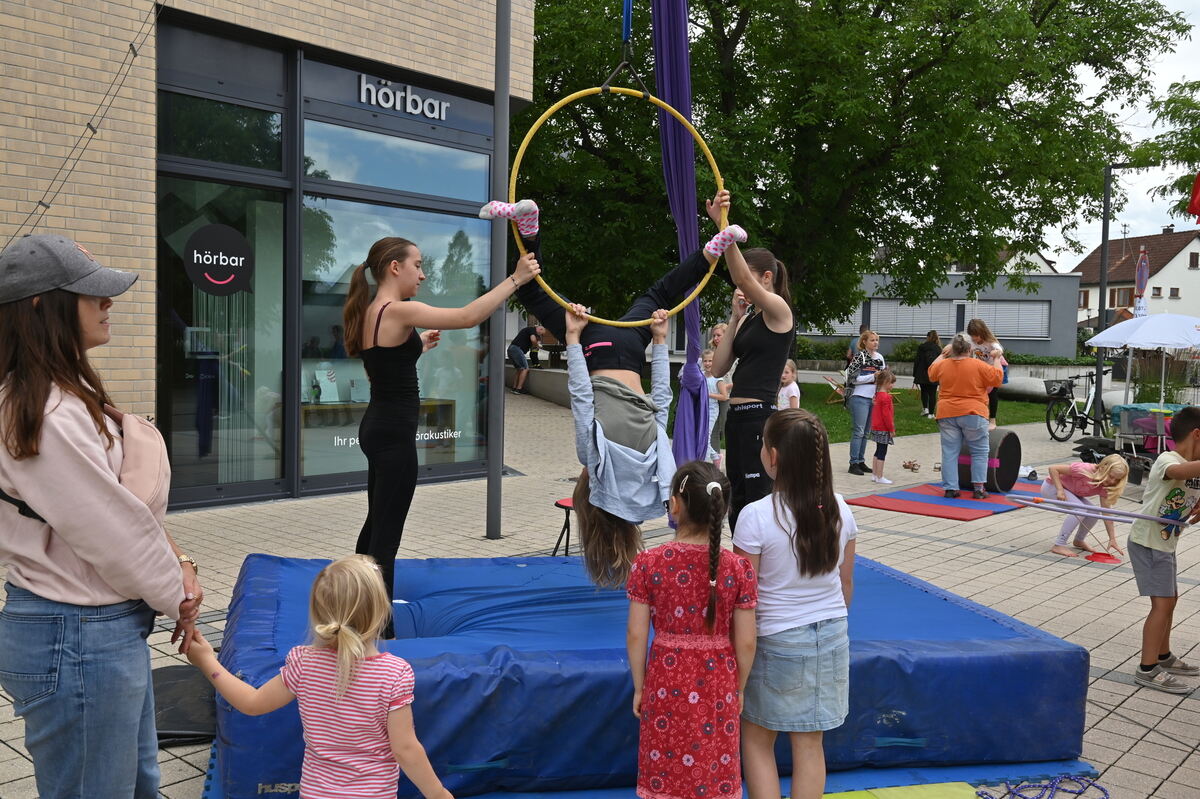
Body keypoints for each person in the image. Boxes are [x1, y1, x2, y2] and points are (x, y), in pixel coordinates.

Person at [0, 234, 201, 798]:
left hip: (89, 631)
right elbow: (115, 534)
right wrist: (178, 596)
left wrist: (177, 562)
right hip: (76, 635)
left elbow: (119, 514)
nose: (108, 303)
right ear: (43, 306)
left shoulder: (60, 397)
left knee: (134, 785)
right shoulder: (44, 412)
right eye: (92, 294)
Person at [479, 196, 748, 586]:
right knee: (534, 295)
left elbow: (661, 405)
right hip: (597, 349)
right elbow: (582, 394)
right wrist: (573, 340)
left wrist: (657, 343)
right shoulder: (592, 456)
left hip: (630, 348)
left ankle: (713, 249)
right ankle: (529, 226)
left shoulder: (655, 471)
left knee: (661, 294)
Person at [343, 236, 541, 607]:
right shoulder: (400, 309)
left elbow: (386, 369)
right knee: (386, 537)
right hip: (392, 436)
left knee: (376, 525)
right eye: (417, 265)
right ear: (394, 267)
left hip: (378, 427)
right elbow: (468, 316)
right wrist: (515, 279)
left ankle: (357, 602)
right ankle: (378, 630)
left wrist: (417, 346)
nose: (422, 273)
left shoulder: (375, 311)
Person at [185, 555, 454, 799]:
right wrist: (438, 793)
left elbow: (252, 703)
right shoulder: (393, 674)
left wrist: (208, 661)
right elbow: (405, 749)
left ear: (317, 613)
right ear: (381, 612)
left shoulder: (304, 662)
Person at [733, 409, 857, 799]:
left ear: (773, 456)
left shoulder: (755, 516)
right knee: (809, 744)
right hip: (833, 634)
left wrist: (737, 661)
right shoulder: (840, 508)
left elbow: (743, 599)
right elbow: (845, 582)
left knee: (756, 739)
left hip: (777, 641)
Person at [626, 461, 758, 799]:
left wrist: (640, 687)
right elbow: (745, 641)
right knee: (713, 768)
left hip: (665, 680)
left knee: (664, 770)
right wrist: (739, 688)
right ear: (724, 509)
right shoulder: (738, 568)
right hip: (718, 682)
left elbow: (637, 634)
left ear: (675, 504)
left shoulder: (649, 562)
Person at [708, 193, 795, 530]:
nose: (740, 283)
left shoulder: (779, 311)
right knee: (738, 498)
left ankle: (763, 569)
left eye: (748, 275)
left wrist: (723, 227)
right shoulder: (749, 319)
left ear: (767, 279)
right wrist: (734, 318)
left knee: (758, 498)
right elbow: (717, 368)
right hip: (737, 418)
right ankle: (742, 571)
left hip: (759, 416)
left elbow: (741, 278)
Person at [1127, 406, 1200, 693]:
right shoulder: (1167, 459)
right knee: (1163, 604)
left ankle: (1163, 655)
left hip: (1164, 543)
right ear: (1197, 434)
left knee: (1171, 600)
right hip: (1148, 542)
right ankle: (1147, 668)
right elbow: (1178, 473)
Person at [928, 333, 1002, 499]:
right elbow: (997, 379)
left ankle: (951, 488)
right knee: (979, 451)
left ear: (952, 349)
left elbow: (931, 372)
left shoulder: (944, 365)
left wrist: (942, 354)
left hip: (947, 412)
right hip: (974, 412)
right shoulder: (978, 365)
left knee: (949, 451)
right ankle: (978, 488)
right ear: (970, 349)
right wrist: (997, 357)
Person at [1040, 454, 1129, 558]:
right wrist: (1059, 490)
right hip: (1052, 487)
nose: (1112, 481)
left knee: (1094, 512)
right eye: (1111, 476)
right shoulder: (1084, 470)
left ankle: (1079, 540)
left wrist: (1112, 539)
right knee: (1080, 509)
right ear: (1103, 467)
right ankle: (1059, 544)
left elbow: (1106, 512)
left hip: (1070, 491)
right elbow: (1053, 468)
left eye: (1117, 480)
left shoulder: (1106, 485)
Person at [844, 330, 885, 476]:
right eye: (872, 340)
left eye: (877, 340)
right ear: (864, 342)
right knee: (859, 431)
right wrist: (873, 376)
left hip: (873, 398)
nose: (875, 343)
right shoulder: (859, 357)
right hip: (859, 396)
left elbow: (883, 376)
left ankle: (861, 461)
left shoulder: (879, 358)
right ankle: (853, 463)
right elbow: (852, 378)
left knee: (866, 432)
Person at [966, 318, 1005, 430]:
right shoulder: (971, 341)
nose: (974, 338)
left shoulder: (990, 341)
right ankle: (978, 415)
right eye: (972, 335)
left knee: (992, 393)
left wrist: (996, 352)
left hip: (992, 368)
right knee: (976, 391)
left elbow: (999, 349)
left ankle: (992, 420)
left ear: (982, 332)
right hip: (981, 369)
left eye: (976, 335)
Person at [868, 369, 897, 485]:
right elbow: (887, 415)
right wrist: (891, 429)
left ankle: (874, 474)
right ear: (885, 382)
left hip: (876, 427)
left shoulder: (877, 395)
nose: (893, 385)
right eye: (891, 383)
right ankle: (879, 476)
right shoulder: (886, 397)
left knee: (877, 450)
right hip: (883, 428)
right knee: (882, 452)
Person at [704, 348, 731, 464]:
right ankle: (712, 458)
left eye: (710, 361)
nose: (708, 363)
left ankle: (714, 457)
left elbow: (724, 396)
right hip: (702, 410)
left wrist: (708, 395)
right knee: (701, 437)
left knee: (705, 438)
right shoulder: (701, 376)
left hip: (712, 410)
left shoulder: (717, 378)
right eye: (705, 361)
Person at [708, 324, 731, 458]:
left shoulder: (732, 352)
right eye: (714, 335)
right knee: (713, 429)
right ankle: (715, 458)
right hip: (712, 396)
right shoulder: (712, 352)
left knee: (726, 426)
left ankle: (732, 457)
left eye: (719, 335)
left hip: (727, 397)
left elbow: (735, 376)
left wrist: (727, 386)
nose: (715, 338)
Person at [507, 322, 544, 395]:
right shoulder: (532, 330)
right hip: (517, 349)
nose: (540, 335)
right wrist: (537, 345)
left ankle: (514, 388)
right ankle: (519, 389)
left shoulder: (529, 331)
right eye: (541, 333)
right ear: (540, 329)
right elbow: (533, 340)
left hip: (511, 349)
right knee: (525, 368)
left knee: (519, 369)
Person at [913, 330, 941, 418]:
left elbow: (917, 360)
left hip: (922, 373)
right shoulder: (938, 348)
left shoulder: (922, 347)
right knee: (932, 393)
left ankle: (925, 409)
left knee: (924, 391)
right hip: (934, 373)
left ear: (928, 337)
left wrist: (915, 374)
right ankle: (931, 414)